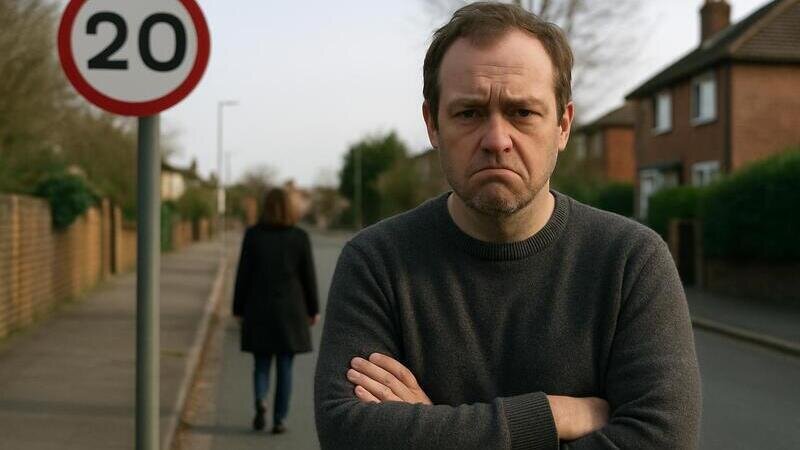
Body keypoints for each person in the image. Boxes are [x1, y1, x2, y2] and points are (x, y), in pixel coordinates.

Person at [314, 2, 700, 449]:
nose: (497, 140)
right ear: (432, 125)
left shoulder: (632, 262)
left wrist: (431, 427)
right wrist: (550, 416)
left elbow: (662, 439)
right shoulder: (375, 263)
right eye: (469, 113)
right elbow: (348, 433)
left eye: (522, 113)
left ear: (563, 126)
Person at [233, 187, 320, 434]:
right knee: (285, 367)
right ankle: (279, 419)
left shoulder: (253, 235)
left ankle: (261, 399)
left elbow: (243, 275)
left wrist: (238, 308)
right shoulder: (299, 237)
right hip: (290, 311)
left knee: (261, 363)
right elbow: (308, 277)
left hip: (258, 308)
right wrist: (313, 309)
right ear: (289, 209)